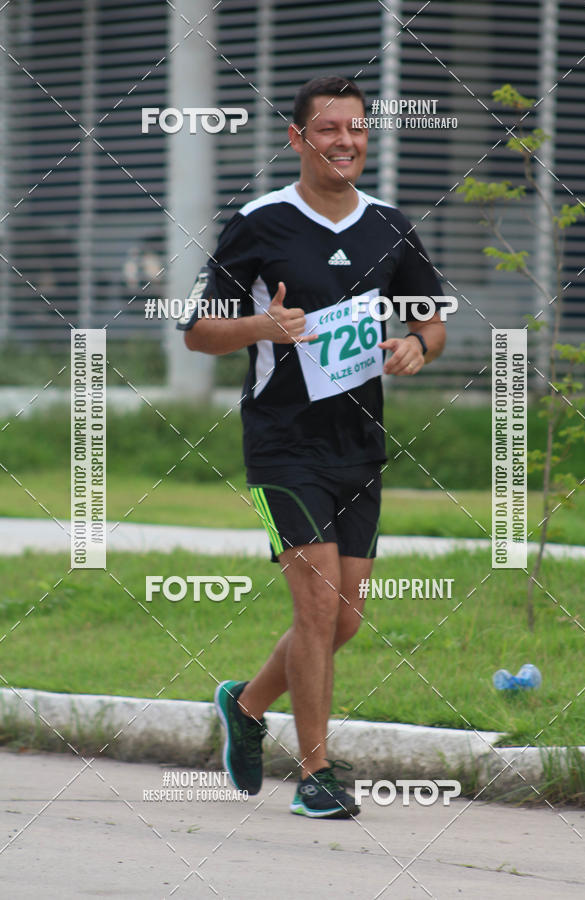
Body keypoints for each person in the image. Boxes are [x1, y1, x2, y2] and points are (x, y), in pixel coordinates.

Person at [179, 75, 446, 819]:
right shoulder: (259, 222)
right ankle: (317, 773)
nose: (344, 142)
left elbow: (433, 320)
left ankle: (246, 703)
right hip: (282, 443)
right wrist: (264, 327)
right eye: (327, 129)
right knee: (319, 605)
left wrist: (418, 345)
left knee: (343, 620)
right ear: (298, 139)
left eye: (355, 129)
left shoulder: (389, 225)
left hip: (360, 445)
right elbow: (199, 332)